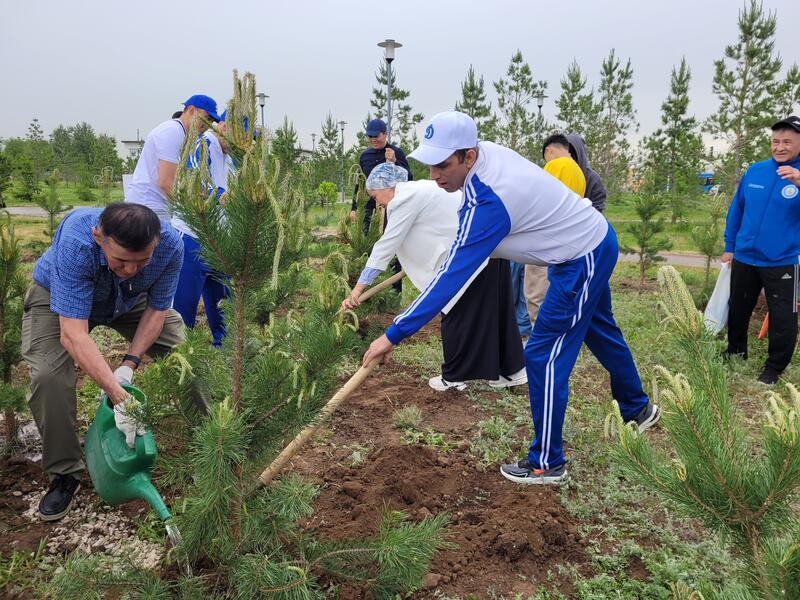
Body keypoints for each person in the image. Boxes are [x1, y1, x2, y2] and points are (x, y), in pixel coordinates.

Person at [362, 111, 660, 485]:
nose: (434, 175)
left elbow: (448, 280)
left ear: (468, 156)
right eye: (429, 164)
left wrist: (393, 334)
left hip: (580, 256)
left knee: (542, 354)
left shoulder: (489, 197)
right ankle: (637, 407)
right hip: (593, 239)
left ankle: (547, 462)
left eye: (442, 165)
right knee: (599, 330)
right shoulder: (483, 160)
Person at [22, 203, 206, 521]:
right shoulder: (77, 239)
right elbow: (73, 334)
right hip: (60, 298)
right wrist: (120, 397)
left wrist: (128, 364)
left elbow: (158, 310)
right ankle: (65, 473)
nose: (131, 269)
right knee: (48, 377)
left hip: (131, 300)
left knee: (189, 357)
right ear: (98, 237)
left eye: (141, 261)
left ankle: (212, 443)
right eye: (121, 260)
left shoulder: (170, 244)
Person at [342, 163, 526, 391]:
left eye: (374, 196)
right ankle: (511, 372)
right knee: (496, 313)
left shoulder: (403, 199)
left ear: (387, 186)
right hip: (489, 248)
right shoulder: (419, 189)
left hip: (468, 255)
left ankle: (454, 377)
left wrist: (358, 289)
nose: (376, 202)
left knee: (454, 314)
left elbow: (386, 246)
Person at [722, 115, 800, 385]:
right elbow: (737, 210)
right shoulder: (756, 171)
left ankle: (774, 368)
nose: (780, 147)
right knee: (738, 308)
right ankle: (735, 352)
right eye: (775, 141)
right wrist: (730, 246)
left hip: (782, 261)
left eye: (787, 142)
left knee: (783, 317)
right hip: (745, 256)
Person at [171, 111, 233, 347]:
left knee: (223, 306)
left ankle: (224, 354)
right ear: (224, 126)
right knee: (183, 310)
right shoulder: (203, 144)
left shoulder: (228, 158)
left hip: (217, 241)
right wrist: (223, 195)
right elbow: (192, 180)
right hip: (191, 238)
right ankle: (180, 361)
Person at [523, 134, 588, 324]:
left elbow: (538, 201)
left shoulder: (555, 165)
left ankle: (540, 338)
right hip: (568, 242)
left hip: (545, 239)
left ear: (549, 150)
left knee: (536, 294)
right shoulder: (578, 172)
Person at [126, 95, 221, 219]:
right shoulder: (172, 132)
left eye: (211, 121)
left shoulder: (183, 135)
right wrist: (195, 209)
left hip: (158, 206)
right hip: (146, 208)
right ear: (191, 110)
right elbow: (166, 182)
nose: (208, 125)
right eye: (206, 118)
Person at [350, 119, 412, 293]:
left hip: (391, 205)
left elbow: (408, 177)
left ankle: (393, 291)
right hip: (369, 206)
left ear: (385, 134)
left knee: (392, 242)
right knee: (365, 242)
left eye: (376, 136)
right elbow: (360, 183)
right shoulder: (365, 156)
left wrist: (395, 162)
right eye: (369, 137)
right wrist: (355, 208)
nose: (373, 140)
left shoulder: (396, 152)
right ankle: (366, 285)